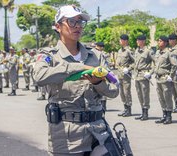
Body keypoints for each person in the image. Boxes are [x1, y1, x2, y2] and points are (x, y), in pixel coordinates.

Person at [33, 5, 119, 155]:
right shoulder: (49, 55)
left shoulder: (96, 56)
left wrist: (97, 82)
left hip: (98, 134)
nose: (77, 26)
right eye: (71, 21)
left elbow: (114, 90)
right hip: (66, 137)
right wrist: (77, 68)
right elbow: (39, 76)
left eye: (80, 22)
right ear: (58, 26)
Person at [154, 36, 177, 124]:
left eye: (160, 41)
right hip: (158, 78)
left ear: (165, 43)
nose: (158, 42)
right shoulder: (157, 52)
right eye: (158, 40)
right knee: (161, 97)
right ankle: (164, 114)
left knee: (167, 97)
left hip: (165, 79)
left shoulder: (169, 52)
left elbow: (175, 64)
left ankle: (169, 116)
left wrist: (171, 75)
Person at [133, 35, 154, 121]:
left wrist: (150, 73)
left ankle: (146, 112)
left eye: (139, 40)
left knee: (145, 94)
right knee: (139, 94)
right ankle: (142, 111)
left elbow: (156, 63)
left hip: (144, 74)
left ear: (143, 41)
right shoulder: (137, 51)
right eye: (137, 40)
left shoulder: (148, 51)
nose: (137, 41)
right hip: (137, 75)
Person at [116, 34, 135, 117]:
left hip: (126, 74)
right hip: (120, 74)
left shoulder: (129, 50)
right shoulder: (120, 50)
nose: (120, 41)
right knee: (122, 93)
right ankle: (125, 108)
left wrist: (129, 68)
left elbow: (135, 62)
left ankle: (129, 109)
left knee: (126, 92)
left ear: (125, 41)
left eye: (121, 40)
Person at [91, 41, 109, 111]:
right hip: (99, 73)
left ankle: (102, 106)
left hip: (98, 73)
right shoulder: (96, 53)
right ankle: (101, 106)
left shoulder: (102, 54)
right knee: (101, 90)